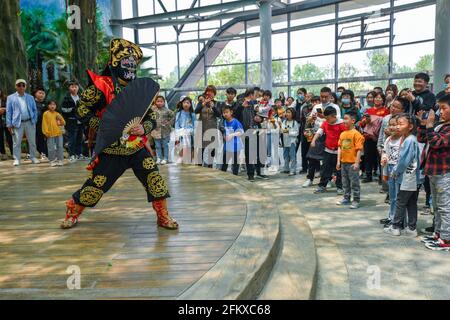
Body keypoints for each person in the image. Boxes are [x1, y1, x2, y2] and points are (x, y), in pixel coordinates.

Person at [60, 38, 178, 231]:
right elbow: (82, 110)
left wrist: (144, 128)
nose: (131, 65)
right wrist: (102, 125)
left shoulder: (139, 89)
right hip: (112, 147)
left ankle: (163, 216)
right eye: (127, 62)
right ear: (115, 62)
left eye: (134, 63)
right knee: (97, 185)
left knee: (154, 178)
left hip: (137, 146)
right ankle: (73, 210)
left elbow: (151, 116)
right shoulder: (101, 86)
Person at [417, 95, 450, 251]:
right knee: (436, 206)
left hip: (444, 173)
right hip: (433, 171)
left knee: (445, 206)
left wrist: (429, 126)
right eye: (439, 108)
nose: (440, 112)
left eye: (444, 108)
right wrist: (424, 125)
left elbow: (437, 143)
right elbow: (423, 139)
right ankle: (438, 233)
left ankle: (447, 238)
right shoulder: (440, 125)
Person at [384, 113, 421, 237]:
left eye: (401, 124)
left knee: (400, 202)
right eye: (397, 124)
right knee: (411, 202)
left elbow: (404, 160)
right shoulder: (410, 139)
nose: (398, 127)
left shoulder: (409, 140)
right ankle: (411, 228)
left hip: (406, 177)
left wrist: (395, 172)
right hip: (412, 177)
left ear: (410, 126)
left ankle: (395, 226)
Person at [311, 106, 346, 194]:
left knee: (339, 170)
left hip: (339, 151)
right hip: (328, 150)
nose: (326, 120)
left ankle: (340, 187)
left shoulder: (341, 124)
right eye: (325, 118)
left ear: (334, 116)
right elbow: (319, 132)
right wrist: (313, 140)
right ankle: (322, 186)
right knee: (325, 169)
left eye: (328, 118)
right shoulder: (326, 123)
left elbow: (346, 136)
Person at [235, 88, 268, 181]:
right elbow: (235, 115)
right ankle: (250, 174)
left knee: (259, 151)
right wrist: (242, 106)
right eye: (256, 94)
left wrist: (259, 119)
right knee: (249, 153)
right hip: (246, 131)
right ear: (251, 94)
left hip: (256, 129)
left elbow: (260, 115)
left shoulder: (255, 103)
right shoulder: (240, 102)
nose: (258, 96)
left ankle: (260, 172)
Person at [6, 79, 40, 166]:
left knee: (32, 141)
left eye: (23, 85)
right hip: (17, 123)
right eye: (19, 85)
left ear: (25, 86)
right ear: (16, 86)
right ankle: (17, 159)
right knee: (16, 142)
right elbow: (9, 111)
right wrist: (9, 124)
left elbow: (34, 110)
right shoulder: (10, 98)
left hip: (29, 122)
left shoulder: (30, 97)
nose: (21, 87)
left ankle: (33, 157)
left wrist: (34, 120)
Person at [336, 111, 364, 209]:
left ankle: (356, 200)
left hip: (352, 163)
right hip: (344, 163)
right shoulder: (343, 134)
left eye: (346, 118)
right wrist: (338, 161)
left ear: (353, 121)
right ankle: (346, 198)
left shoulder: (357, 134)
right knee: (345, 182)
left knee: (354, 182)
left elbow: (359, 149)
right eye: (344, 118)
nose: (344, 120)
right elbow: (339, 148)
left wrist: (356, 162)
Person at [380, 116, 402, 227]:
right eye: (391, 125)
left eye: (395, 124)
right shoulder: (388, 139)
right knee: (392, 195)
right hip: (389, 169)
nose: (392, 127)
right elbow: (384, 151)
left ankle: (398, 219)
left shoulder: (403, 140)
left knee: (399, 196)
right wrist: (384, 157)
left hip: (399, 170)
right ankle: (392, 216)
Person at [195, 85, 221, 167]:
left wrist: (213, 106)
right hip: (201, 127)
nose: (209, 93)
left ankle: (209, 166)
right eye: (208, 91)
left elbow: (219, 115)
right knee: (200, 148)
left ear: (214, 94)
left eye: (211, 92)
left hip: (212, 128)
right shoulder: (201, 102)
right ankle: (199, 166)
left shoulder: (217, 103)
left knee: (211, 148)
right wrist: (203, 103)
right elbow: (196, 111)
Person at [61, 81, 84, 163]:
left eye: (75, 87)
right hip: (71, 121)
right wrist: (74, 108)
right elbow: (64, 110)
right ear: (69, 88)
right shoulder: (66, 98)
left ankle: (79, 154)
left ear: (78, 88)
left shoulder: (81, 97)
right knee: (72, 139)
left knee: (80, 139)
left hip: (80, 121)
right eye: (72, 87)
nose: (74, 88)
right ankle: (72, 155)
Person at [151, 95, 174, 165]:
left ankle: (165, 158)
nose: (159, 103)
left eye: (161, 101)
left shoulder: (167, 110)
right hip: (156, 131)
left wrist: (168, 122)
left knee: (165, 145)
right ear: (155, 102)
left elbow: (172, 116)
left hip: (165, 131)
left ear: (164, 102)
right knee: (157, 146)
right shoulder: (153, 110)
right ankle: (159, 158)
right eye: (158, 101)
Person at [221, 105, 243, 176]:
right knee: (224, 164)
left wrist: (232, 135)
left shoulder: (236, 122)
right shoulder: (224, 122)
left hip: (236, 147)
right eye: (223, 112)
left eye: (227, 112)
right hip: (227, 147)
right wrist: (224, 136)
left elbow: (241, 132)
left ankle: (235, 178)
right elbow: (224, 132)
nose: (225, 114)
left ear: (231, 112)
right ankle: (223, 178)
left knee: (235, 165)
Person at [42, 100, 65, 167]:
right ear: (48, 105)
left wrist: (60, 119)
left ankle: (60, 160)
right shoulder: (46, 113)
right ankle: (52, 160)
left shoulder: (57, 114)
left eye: (54, 104)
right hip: (50, 133)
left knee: (60, 146)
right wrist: (45, 132)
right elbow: (44, 123)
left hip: (59, 133)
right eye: (51, 104)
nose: (52, 106)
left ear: (56, 106)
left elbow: (63, 123)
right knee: (51, 147)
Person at [175, 96, 196, 164]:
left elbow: (194, 124)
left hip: (190, 133)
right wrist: (178, 133)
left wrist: (192, 131)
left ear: (190, 104)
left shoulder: (192, 114)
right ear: (182, 104)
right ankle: (181, 157)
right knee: (182, 146)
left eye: (188, 103)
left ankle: (191, 159)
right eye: (184, 102)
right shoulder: (179, 113)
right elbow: (177, 124)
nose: (186, 104)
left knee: (191, 146)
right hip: (181, 133)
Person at [281, 107, 299, 176]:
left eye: (289, 112)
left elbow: (296, 133)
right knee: (285, 155)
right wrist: (284, 130)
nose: (287, 114)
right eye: (287, 112)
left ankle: (293, 170)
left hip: (292, 142)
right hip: (285, 141)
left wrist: (289, 131)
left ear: (293, 114)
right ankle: (286, 168)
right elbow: (282, 130)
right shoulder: (284, 121)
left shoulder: (295, 122)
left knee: (292, 156)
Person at [33, 87, 48, 160]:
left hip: (43, 125)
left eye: (43, 93)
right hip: (34, 124)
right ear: (35, 94)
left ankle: (43, 153)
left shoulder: (46, 104)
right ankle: (31, 154)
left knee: (42, 139)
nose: (41, 95)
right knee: (34, 139)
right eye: (39, 93)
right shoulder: (32, 102)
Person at [0, 89, 13, 160]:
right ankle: (3, 153)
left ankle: (13, 153)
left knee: (9, 137)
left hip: (6, 120)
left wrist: (4, 109)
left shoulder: (6, 98)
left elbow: (11, 107)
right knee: (0, 138)